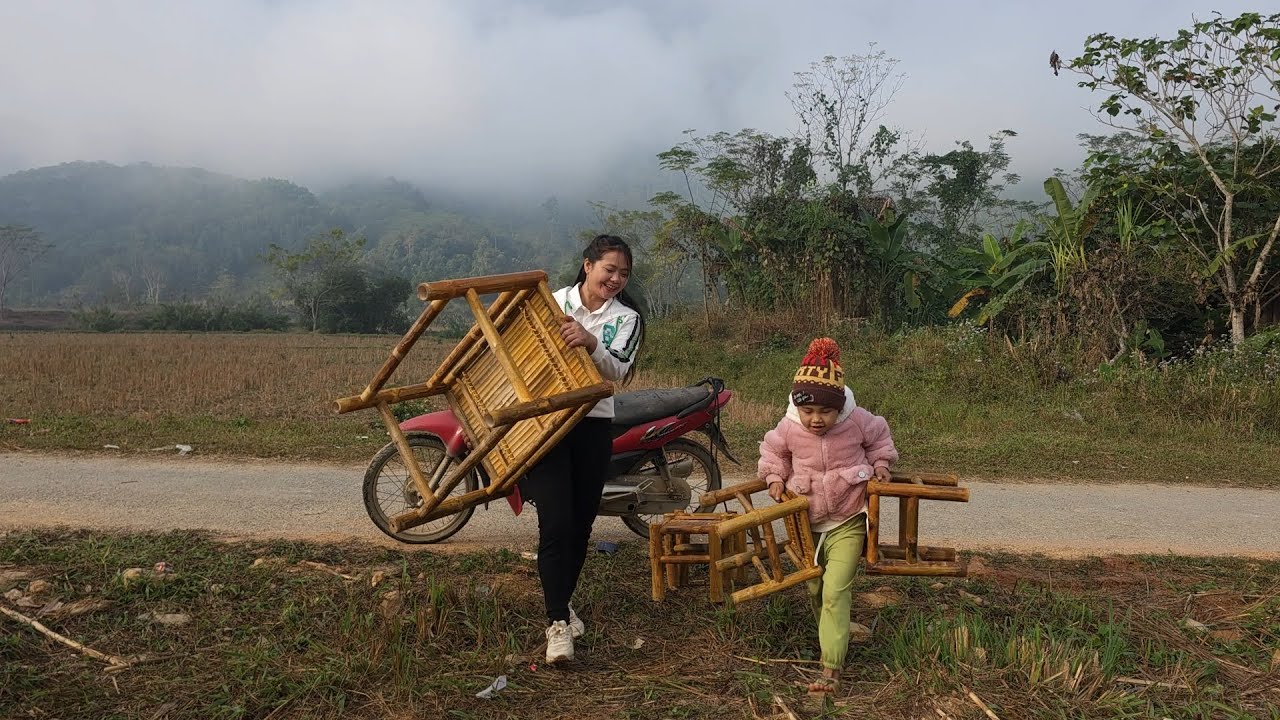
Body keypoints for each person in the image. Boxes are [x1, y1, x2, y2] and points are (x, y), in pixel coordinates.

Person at [521, 234, 644, 665]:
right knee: (554, 522)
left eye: (623, 274)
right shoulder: (550, 302)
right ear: (587, 264)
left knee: (580, 524)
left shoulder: (626, 318)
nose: (615, 278)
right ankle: (557, 623)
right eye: (609, 269)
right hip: (548, 425)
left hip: (592, 424)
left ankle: (562, 602)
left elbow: (619, 368)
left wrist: (590, 343)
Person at [757, 337, 898, 695]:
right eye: (809, 411)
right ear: (796, 406)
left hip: (850, 517)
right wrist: (774, 477)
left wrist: (881, 463)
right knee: (816, 586)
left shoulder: (858, 421)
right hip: (808, 521)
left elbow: (880, 438)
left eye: (825, 411)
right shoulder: (789, 426)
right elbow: (774, 452)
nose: (816, 419)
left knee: (836, 589)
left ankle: (831, 667)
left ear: (839, 408)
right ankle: (835, 630)